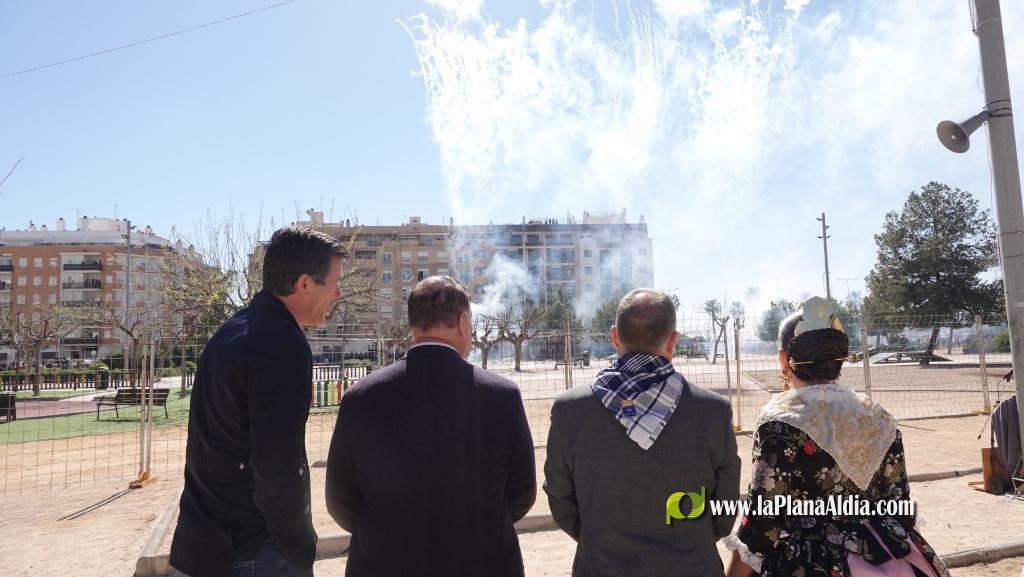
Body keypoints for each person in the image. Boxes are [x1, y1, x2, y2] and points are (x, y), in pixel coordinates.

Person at [325, 275, 536, 577]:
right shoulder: (501, 395)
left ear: (413, 324)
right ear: (464, 322)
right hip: (483, 562)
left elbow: (340, 499)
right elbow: (522, 493)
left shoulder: (360, 397)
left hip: (384, 563)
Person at [725, 297, 949, 577]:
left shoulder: (780, 423)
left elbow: (762, 524)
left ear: (784, 358)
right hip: (885, 557)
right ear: (839, 361)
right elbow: (900, 506)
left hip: (808, 563)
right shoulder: (879, 417)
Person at [169, 226, 345, 577]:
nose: (338, 293)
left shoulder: (234, 328)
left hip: (204, 541)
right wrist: (297, 544)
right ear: (305, 283)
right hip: (252, 551)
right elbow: (277, 462)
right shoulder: (280, 343)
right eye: (333, 283)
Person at [544, 288, 741, 577]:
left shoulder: (570, 410)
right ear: (672, 341)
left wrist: (597, 541)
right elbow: (725, 507)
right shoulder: (713, 410)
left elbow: (560, 500)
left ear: (614, 337)